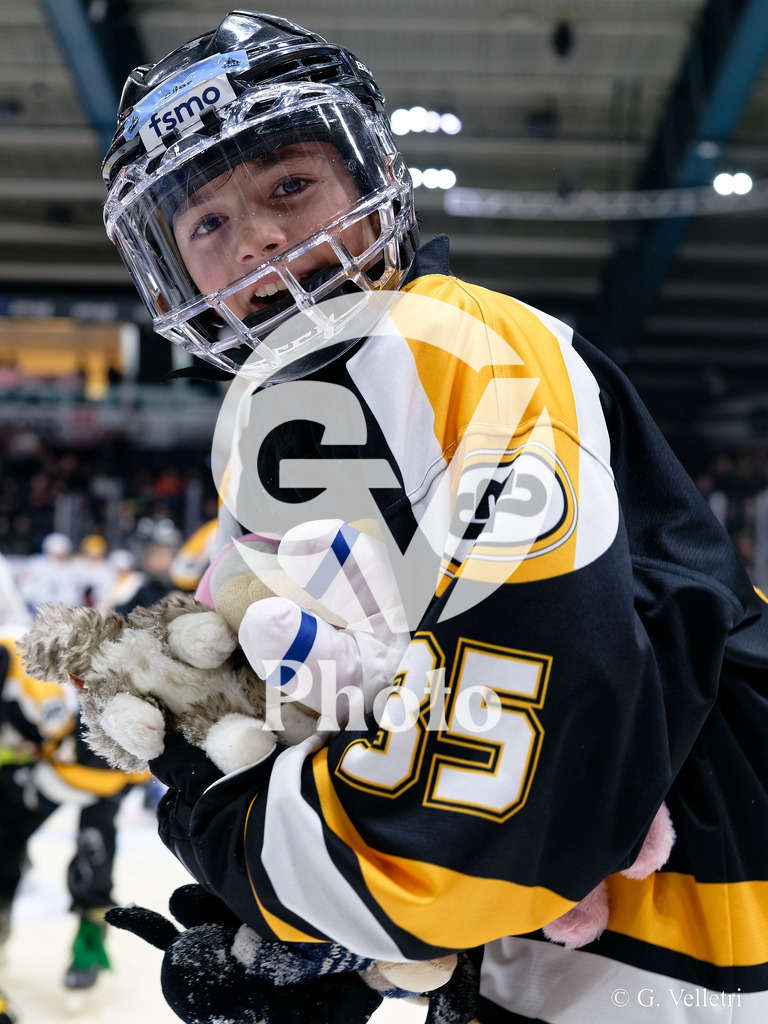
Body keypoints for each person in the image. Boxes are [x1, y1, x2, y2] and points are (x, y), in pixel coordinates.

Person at [100, 11, 768, 1024]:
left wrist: (277, 866)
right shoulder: (284, 425)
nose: (262, 239)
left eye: (289, 184)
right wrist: (340, 952)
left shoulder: (449, 346)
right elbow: (364, 708)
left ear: (373, 178)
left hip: (687, 916)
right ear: (172, 268)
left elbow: (538, 739)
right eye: (208, 224)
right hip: (547, 915)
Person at [0, 627, 150, 996]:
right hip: (52, 761)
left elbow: (98, 750)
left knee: (93, 855)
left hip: (96, 766)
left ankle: (89, 937)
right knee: (5, 841)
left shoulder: (41, 693)